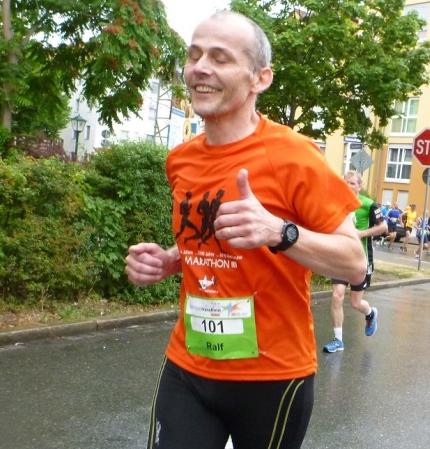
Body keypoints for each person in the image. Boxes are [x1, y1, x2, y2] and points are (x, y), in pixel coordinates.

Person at [124, 11, 366, 449]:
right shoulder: (180, 160)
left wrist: (279, 232)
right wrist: (170, 261)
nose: (200, 68)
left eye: (220, 58)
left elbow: (354, 263)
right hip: (189, 365)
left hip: (273, 377)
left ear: (260, 78)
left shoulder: (295, 156)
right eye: (194, 55)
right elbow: (210, 242)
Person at [323, 171, 388, 353]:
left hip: (360, 260)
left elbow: (383, 227)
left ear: (360, 186)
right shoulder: (337, 203)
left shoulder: (368, 205)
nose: (348, 186)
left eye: (352, 183)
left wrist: (360, 234)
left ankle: (370, 313)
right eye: (345, 182)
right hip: (341, 258)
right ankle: (338, 340)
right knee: (337, 295)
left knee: (355, 302)